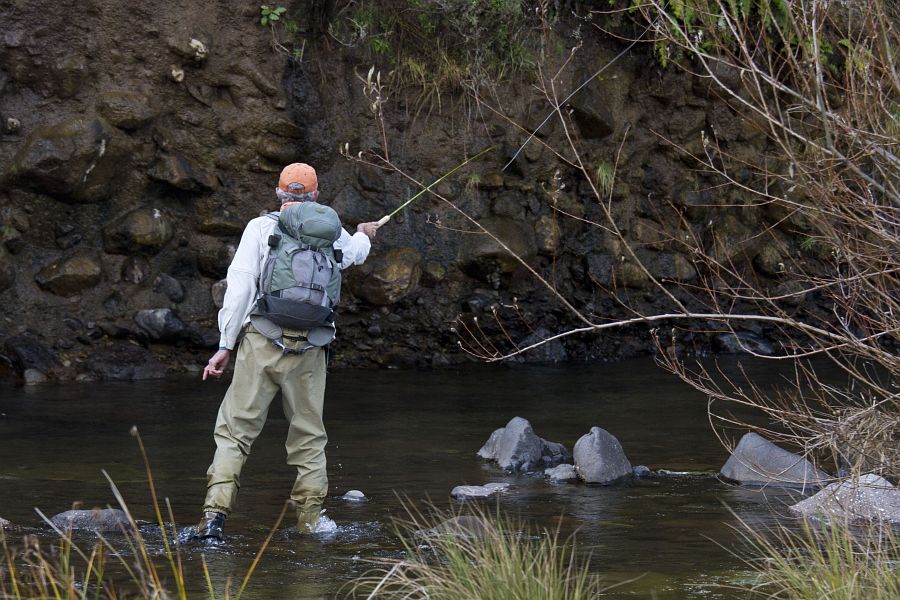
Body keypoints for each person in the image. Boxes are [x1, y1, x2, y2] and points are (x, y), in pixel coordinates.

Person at [196, 162, 380, 540]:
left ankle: (213, 518)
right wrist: (364, 234)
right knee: (309, 437)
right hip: (311, 347)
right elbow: (355, 254)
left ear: (279, 194)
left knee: (234, 434)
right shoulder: (330, 231)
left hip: (261, 342)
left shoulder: (260, 228)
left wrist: (225, 345)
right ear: (315, 195)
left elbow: (241, 289)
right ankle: (311, 522)